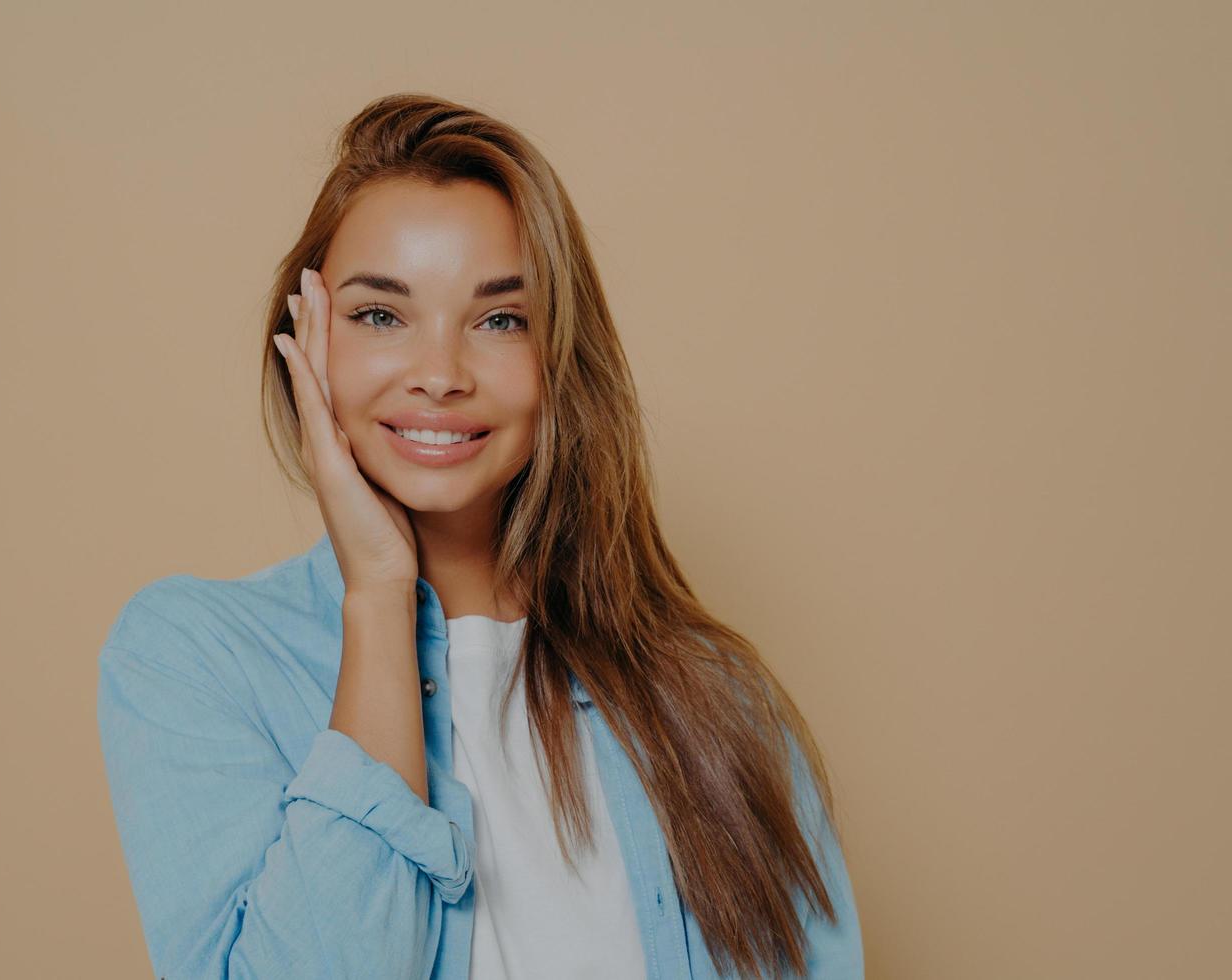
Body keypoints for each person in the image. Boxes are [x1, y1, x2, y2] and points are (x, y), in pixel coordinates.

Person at [96, 92, 865, 980]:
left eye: (500, 318)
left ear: (559, 357)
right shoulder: (193, 659)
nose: (439, 375)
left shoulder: (715, 697)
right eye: (380, 315)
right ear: (306, 342)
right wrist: (379, 594)